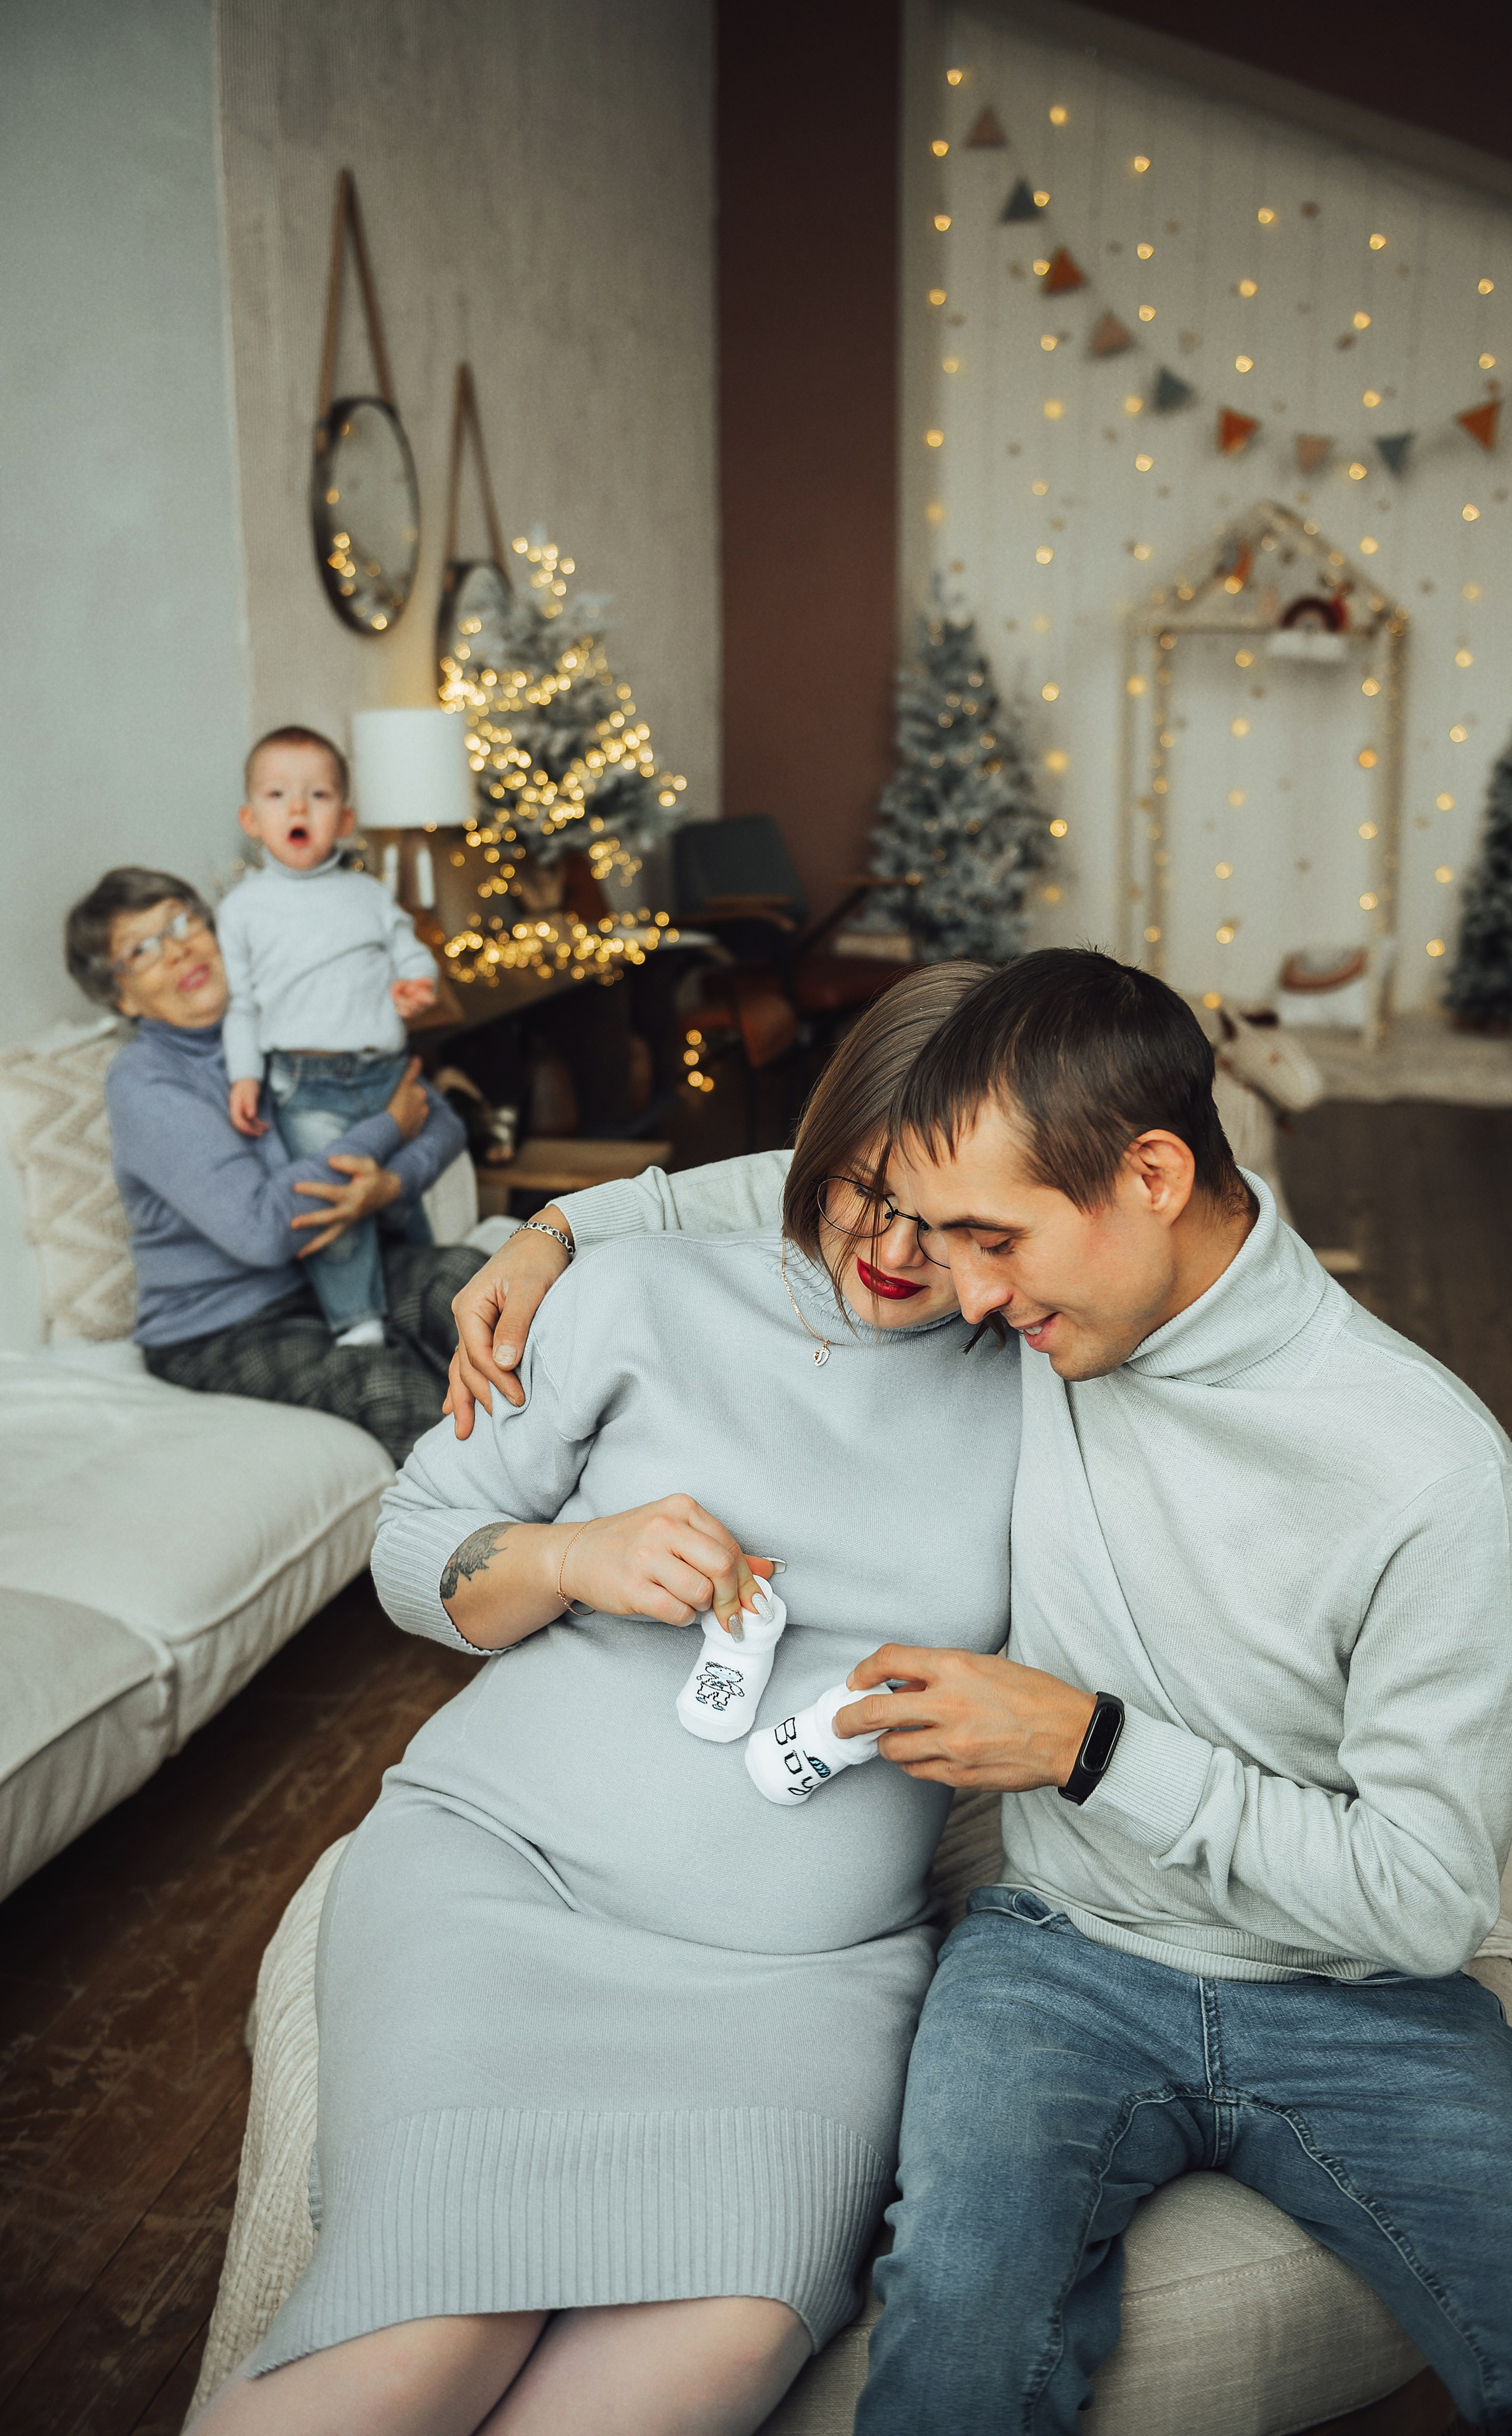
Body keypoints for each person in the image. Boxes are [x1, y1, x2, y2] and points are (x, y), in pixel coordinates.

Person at [445, 948, 1512, 2433]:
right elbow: (811, 1185)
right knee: (953, 2346)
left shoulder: (1428, 1473)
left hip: (1357, 1995)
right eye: (947, 1237)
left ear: (1147, 1172)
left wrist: (1086, 1745)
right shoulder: (1036, 1299)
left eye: (991, 1240)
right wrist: (553, 1225)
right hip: (1057, 1955)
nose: (962, 1292)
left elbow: (1421, 1901)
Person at [196, 962, 1022, 2436]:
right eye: (861, 1192)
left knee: (705, 2353)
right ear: (812, 1150)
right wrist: (574, 1556)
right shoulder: (635, 1293)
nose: (894, 1248)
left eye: (950, 1221)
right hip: (507, 1880)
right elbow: (412, 1549)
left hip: (799, 1982)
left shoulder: (1046, 1380)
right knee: (425, 2332)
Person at [65, 865, 475, 1466]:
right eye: (143, 949)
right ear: (122, 996)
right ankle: (525, 1552)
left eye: (183, 921)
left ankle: (605, 1478)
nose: (179, 949)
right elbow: (260, 1227)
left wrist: (390, 1185)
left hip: (331, 1273)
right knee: (389, 1385)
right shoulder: (145, 1081)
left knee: (480, 1290)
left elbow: (437, 1118)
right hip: (219, 1327)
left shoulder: (288, 1016)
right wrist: (383, 1130)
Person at [219, 724, 443, 1349]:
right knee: (333, 1198)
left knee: (400, 1198)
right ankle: (358, 1323)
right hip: (303, 1084)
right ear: (251, 818)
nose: (297, 807)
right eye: (277, 794)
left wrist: (416, 985)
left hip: (381, 1073)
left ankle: (425, 1292)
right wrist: (243, 1074)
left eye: (317, 796)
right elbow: (240, 1006)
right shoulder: (243, 908)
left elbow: (411, 955)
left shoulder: (368, 895)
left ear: (343, 820)